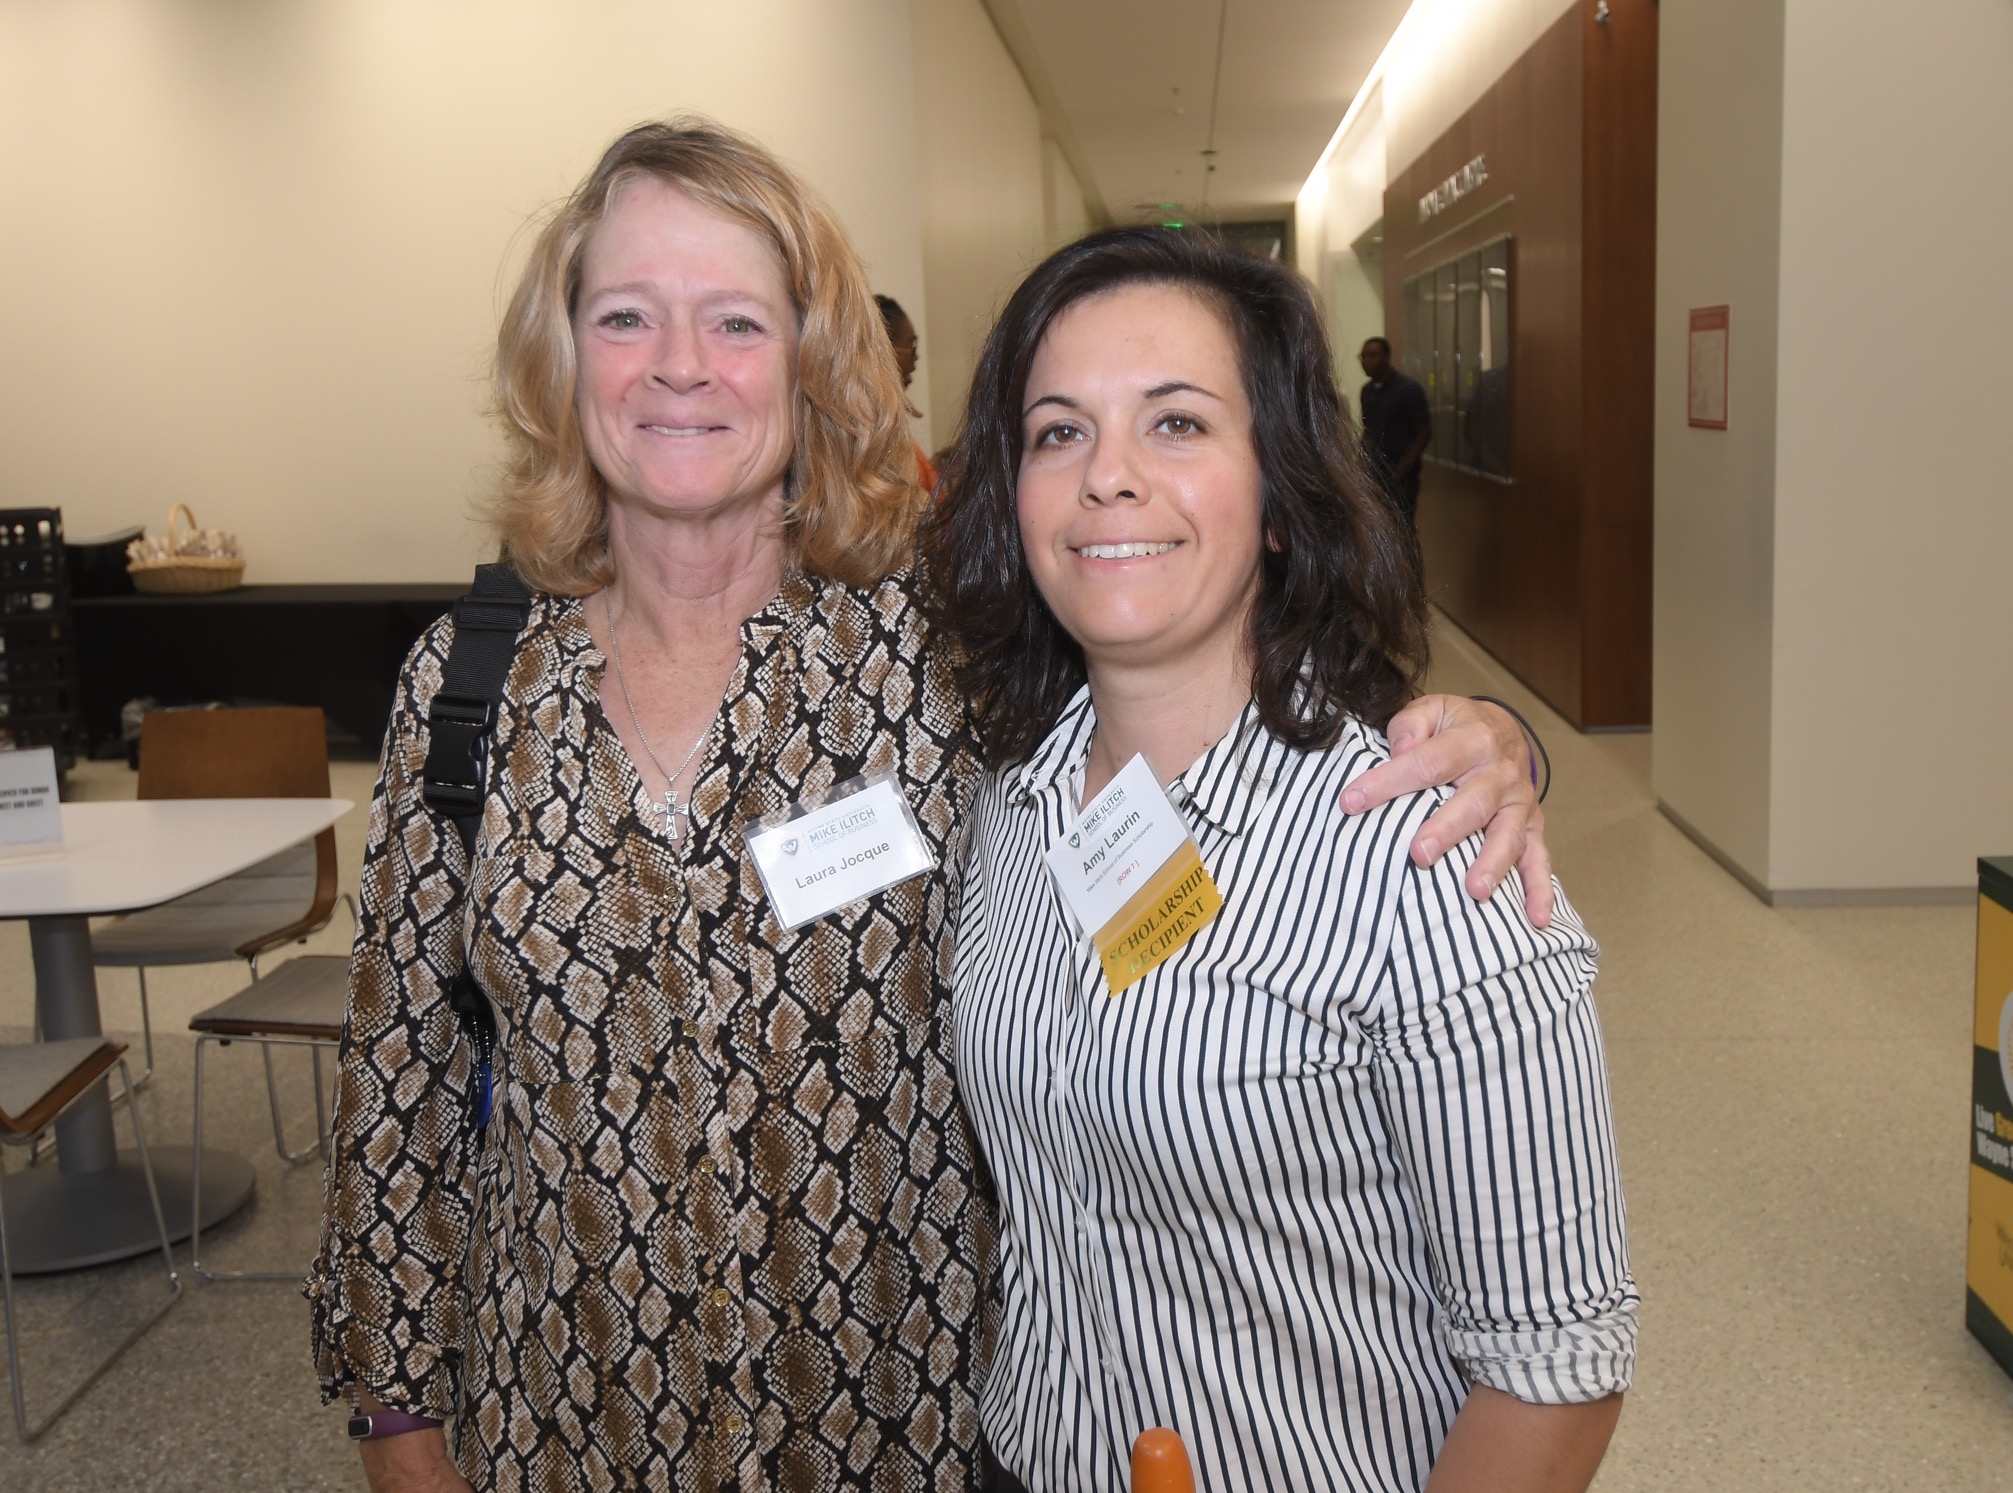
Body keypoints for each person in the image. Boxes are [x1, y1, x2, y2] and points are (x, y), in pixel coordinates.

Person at [309, 118, 1551, 1493]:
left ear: (809, 359)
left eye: (734, 319)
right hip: (566, 1420)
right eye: (624, 317)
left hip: (902, 1429)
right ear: (562, 358)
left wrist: (1497, 741)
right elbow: (399, 1083)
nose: (678, 366)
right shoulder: (471, 684)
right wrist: (397, 1426)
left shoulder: (943, 651)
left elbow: (1187, 671)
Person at [925, 229, 1635, 1493]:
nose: (1109, 478)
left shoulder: (1422, 856)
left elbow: (1556, 1365)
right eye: (1058, 432)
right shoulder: (1005, 815)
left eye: (1180, 423)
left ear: (1279, 491)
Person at [1359, 334, 1432, 528]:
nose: (1366, 361)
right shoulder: (1367, 392)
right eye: (1363, 357)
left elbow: (1424, 432)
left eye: (1372, 356)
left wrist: (1402, 469)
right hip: (1375, 474)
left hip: (1401, 476)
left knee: (1402, 531)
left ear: (1387, 357)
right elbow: (1369, 430)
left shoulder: (1408, 389)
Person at [876, 292, 939, 491]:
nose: (916, 357)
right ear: (883, 348)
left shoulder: (890, 430)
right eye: (911, 344)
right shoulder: (874, 439)